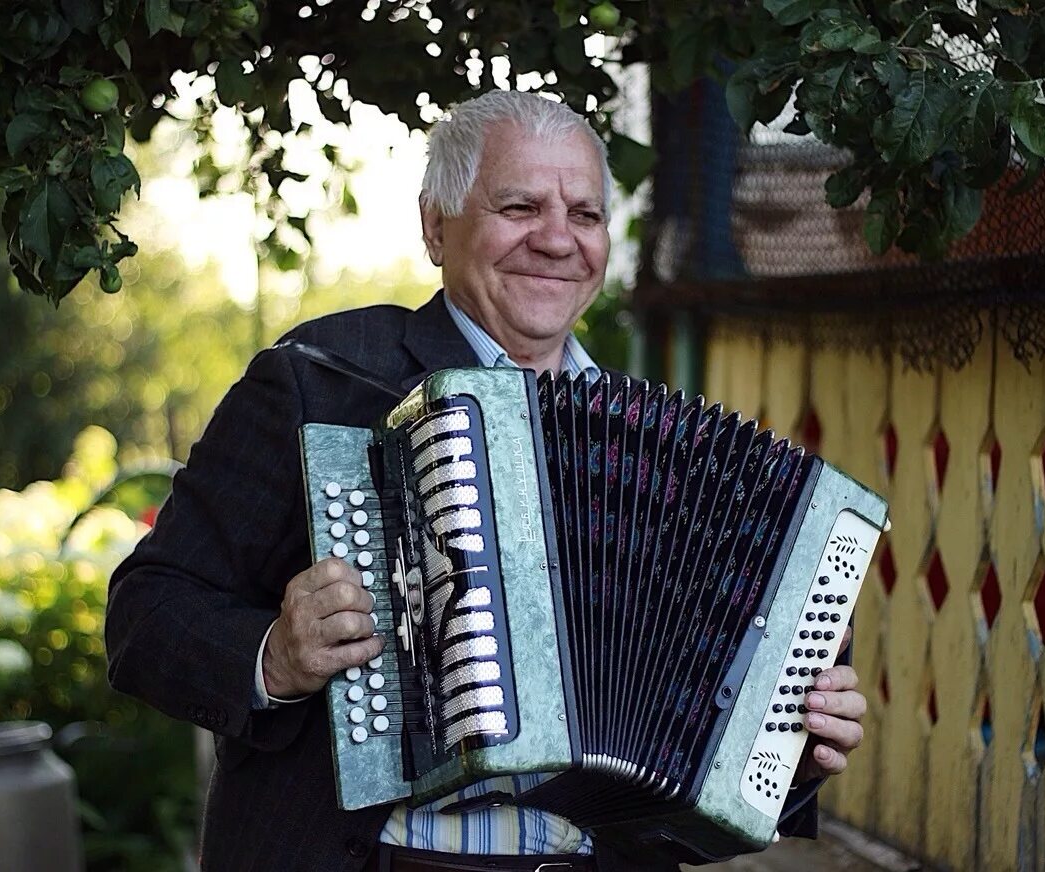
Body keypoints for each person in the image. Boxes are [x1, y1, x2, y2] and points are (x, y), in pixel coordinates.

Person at [105, 90, 867, 872]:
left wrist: (789, 752)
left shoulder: (668, 455)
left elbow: (700, 768)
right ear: (437, 227)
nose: (556, 239)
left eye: (585, 214)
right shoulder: (322, 382)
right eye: (519, 205)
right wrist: (274, 656)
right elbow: (147, 612)